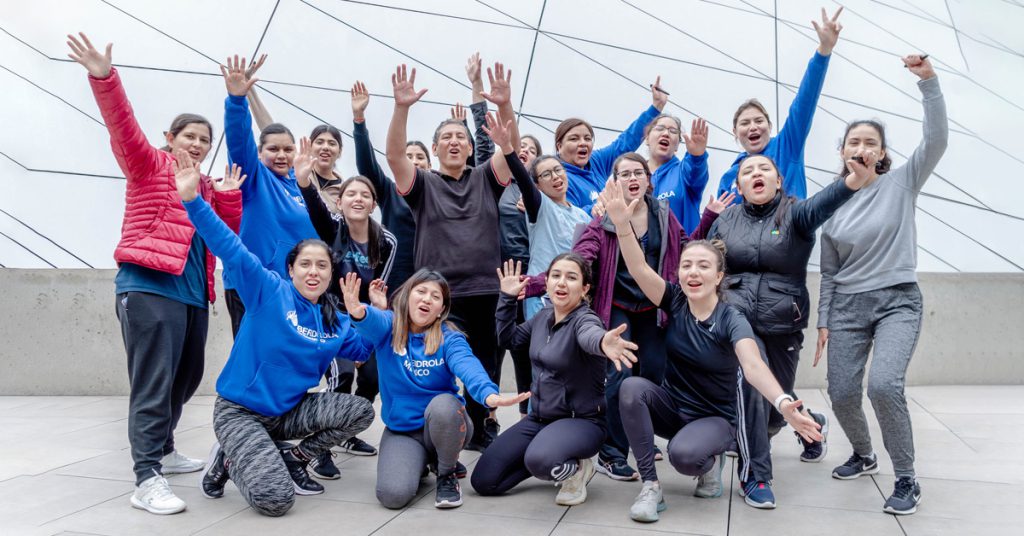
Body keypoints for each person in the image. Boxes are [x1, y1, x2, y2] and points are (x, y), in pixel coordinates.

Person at [67, 32, 243, 515]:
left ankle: (163, 447)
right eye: (190, 135)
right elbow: (121, 128)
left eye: (205, 139)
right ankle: (146, 477)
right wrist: (104, 77)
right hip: (148, 286)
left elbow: (228, 234)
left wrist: (225, 195)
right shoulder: (149, 166)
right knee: (153, 382)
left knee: (185, 378)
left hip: (191, 294)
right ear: (171, 138)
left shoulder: (204, 186)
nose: (199, 144)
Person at [601, 179, 822, 523]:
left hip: (716, 418)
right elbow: (640, 268)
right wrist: (622, 226)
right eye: (687, 265)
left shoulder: (731, 318)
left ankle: (710, 461)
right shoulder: (674, 300)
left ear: (719, 276)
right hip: (674, 408)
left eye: (704, 266)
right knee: (631, 387)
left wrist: (783, 405)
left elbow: (753, 365)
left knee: (684, 457)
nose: (693, 272)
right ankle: (650, 486)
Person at [526, 154, 729, 481]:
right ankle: (613, 452)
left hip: (654, 307)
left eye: (638, 172)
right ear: (614, 182)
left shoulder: (662, 214)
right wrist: (535, 285)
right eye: (624, 174)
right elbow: (580, 259)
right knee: (619, 375)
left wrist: (708, 217)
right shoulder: (605, 219)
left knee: (653, 372)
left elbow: (685, 245)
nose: (632, 178)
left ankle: (644, 437)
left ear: (649, 180)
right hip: (617, 305)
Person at [816, 54, 947, 516]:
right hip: (847, 306)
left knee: (884, 386)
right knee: (842, 392)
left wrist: (928, 82)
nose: (862, 147)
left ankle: (907, 478)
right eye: (854, 141)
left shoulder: (902, 183)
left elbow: (936, 140)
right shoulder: (833, 202)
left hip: (897, 302)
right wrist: (824, 321)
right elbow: (829, 271)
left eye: (871, 142)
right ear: (844, 152)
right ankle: (864, 453)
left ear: (882, 153)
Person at [707, 153, 870, 508]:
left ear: (779, 181)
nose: (756, 174)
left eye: (764, 169)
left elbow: (825, 203)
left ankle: (811, 422)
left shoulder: (795, 213)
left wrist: (852, 180)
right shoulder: (726, 221)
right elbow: (707, 261)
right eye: (747, 172)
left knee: (773, 402)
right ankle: (756, 477)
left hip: (783, 321)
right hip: (738, 322)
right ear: (739, 186)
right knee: (752, 388)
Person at [385, 63, 521, 451]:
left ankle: (481, 428)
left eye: (460, 136)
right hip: (439, 297)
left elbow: (508, 145)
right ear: (437, 147)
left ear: (469, 144)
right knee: (435, 367)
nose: (454, 141)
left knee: (486, 364)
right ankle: (434, 431)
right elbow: (395, 154)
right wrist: (401, 108)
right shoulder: (422, 184)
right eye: (446, 137)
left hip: (485, 291)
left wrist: (505, 104)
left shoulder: (485, 179)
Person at [341, 270, 529, 510]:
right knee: (392, 496)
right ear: (407, 297)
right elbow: (372, 322)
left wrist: (488, 394)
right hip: (403, 431)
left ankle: (446, 472)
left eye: (435, 296)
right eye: (421, 292)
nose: (427, 299)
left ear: (441, 308)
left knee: (444, 405)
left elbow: (467, 365)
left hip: (446, 424)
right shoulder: (389, 327)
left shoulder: (449, 337)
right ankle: (425, 461)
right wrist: (358, 310)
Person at [472, 257, 638, 505]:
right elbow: (510, 340)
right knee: (485, 481)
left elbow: (590, 336)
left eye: (571, 277)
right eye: (556, 275)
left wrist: (604, 342)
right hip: (540, 419)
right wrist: (506, 299)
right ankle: (547, 455)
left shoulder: (585, 320)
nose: (562, 283)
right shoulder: (543, 317)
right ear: (547, 282)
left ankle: (577, 469)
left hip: (581, 422)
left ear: (584, 289)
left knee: (541, 460)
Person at [297, 162, 399, 471]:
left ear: (373, 203)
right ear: (340, 201)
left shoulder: (387, 241)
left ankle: (345, 431)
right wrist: (305, 183)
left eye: (364, 194)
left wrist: (366, 334)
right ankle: (318, 448)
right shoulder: (333, 229)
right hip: (329, 317)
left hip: (363, 318)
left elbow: (379, 291)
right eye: (350, 193)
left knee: (372, 377)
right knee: (340, 376)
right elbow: (315, 207)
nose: (358, 199)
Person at [219, 55, 319, 336]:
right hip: (252, 286)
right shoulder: (254, 179)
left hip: (293, 290)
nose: (282, 155)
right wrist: (237, 101)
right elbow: (239, 144)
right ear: (260, 153)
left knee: (285, 364)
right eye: (273, 149)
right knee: (254, 362)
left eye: (288, 149)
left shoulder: (300, 185)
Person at [716, 7, 844, 201]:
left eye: (758, 121)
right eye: (744, 123)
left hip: (788, 230)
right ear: (735, 132)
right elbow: (722, 223)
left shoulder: (787, 145)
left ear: (769, 126)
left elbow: (805, 101)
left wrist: (823, 51)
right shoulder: (729, 177)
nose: (752, 127)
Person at [559, 78, 668, 213]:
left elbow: (625, 142)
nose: (583, 143)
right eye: (574, 139)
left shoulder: (596, 160)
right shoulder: (558, 177)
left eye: (587, 138)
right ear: (559, 146)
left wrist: (656, 107)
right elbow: (565, 218)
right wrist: (595, 208)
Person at [521, 156, 591, 319]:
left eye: (558, 170)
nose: (555, 176)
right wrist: (508, 148)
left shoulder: (582, 216)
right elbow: (522, 179)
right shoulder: (541, 206)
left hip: (573, 296)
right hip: (541, 295)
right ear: (537, 185)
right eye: (546, 174)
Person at [646, 116, 711, 234]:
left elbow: (696, 173)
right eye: (660, 128)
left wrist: (697, 157)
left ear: (677, 146)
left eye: (673, 131)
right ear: (647, 138)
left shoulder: (683, 171)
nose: (666, 133)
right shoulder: (635, 175)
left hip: (684, 251)